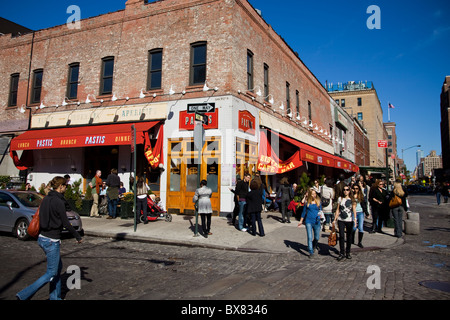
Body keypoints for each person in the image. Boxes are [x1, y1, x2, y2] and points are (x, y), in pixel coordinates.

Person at [16, 176, 83, 300]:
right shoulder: (59, 202)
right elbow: (65, 223)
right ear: (61, 186)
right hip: (52, 240)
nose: (66, 188)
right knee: (51, 273)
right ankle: (24, 295)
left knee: (57, 269)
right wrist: (77, 236)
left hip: (42, 237)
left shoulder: (46, 198)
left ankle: (55, 297)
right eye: (65, 186)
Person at [334, 185, 356, 261]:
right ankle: (341, 252)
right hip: (341, 219)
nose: (345, 191)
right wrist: (335, 218)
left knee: (349, 236)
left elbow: (354, 210)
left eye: (347, 190)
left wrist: (355, 219)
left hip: (349, 219)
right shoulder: (340, 199)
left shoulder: (352, 199)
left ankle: (348, 252)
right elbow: (338, 209)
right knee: (342, 236)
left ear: (349, 191)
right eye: (344, 190)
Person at [298, 189, 322, 259]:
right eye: (312, 194)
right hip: (308, 221)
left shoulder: (318, 202)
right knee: (309, 237)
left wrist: (321, 216)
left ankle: (314, 245)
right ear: (310, 195)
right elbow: (303, 212)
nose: (314, 195)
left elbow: (320, 211)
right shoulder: (307, 203)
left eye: (315, 194)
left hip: (317, 221)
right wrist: (301, 221)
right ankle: (310, 251)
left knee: (317, 237)